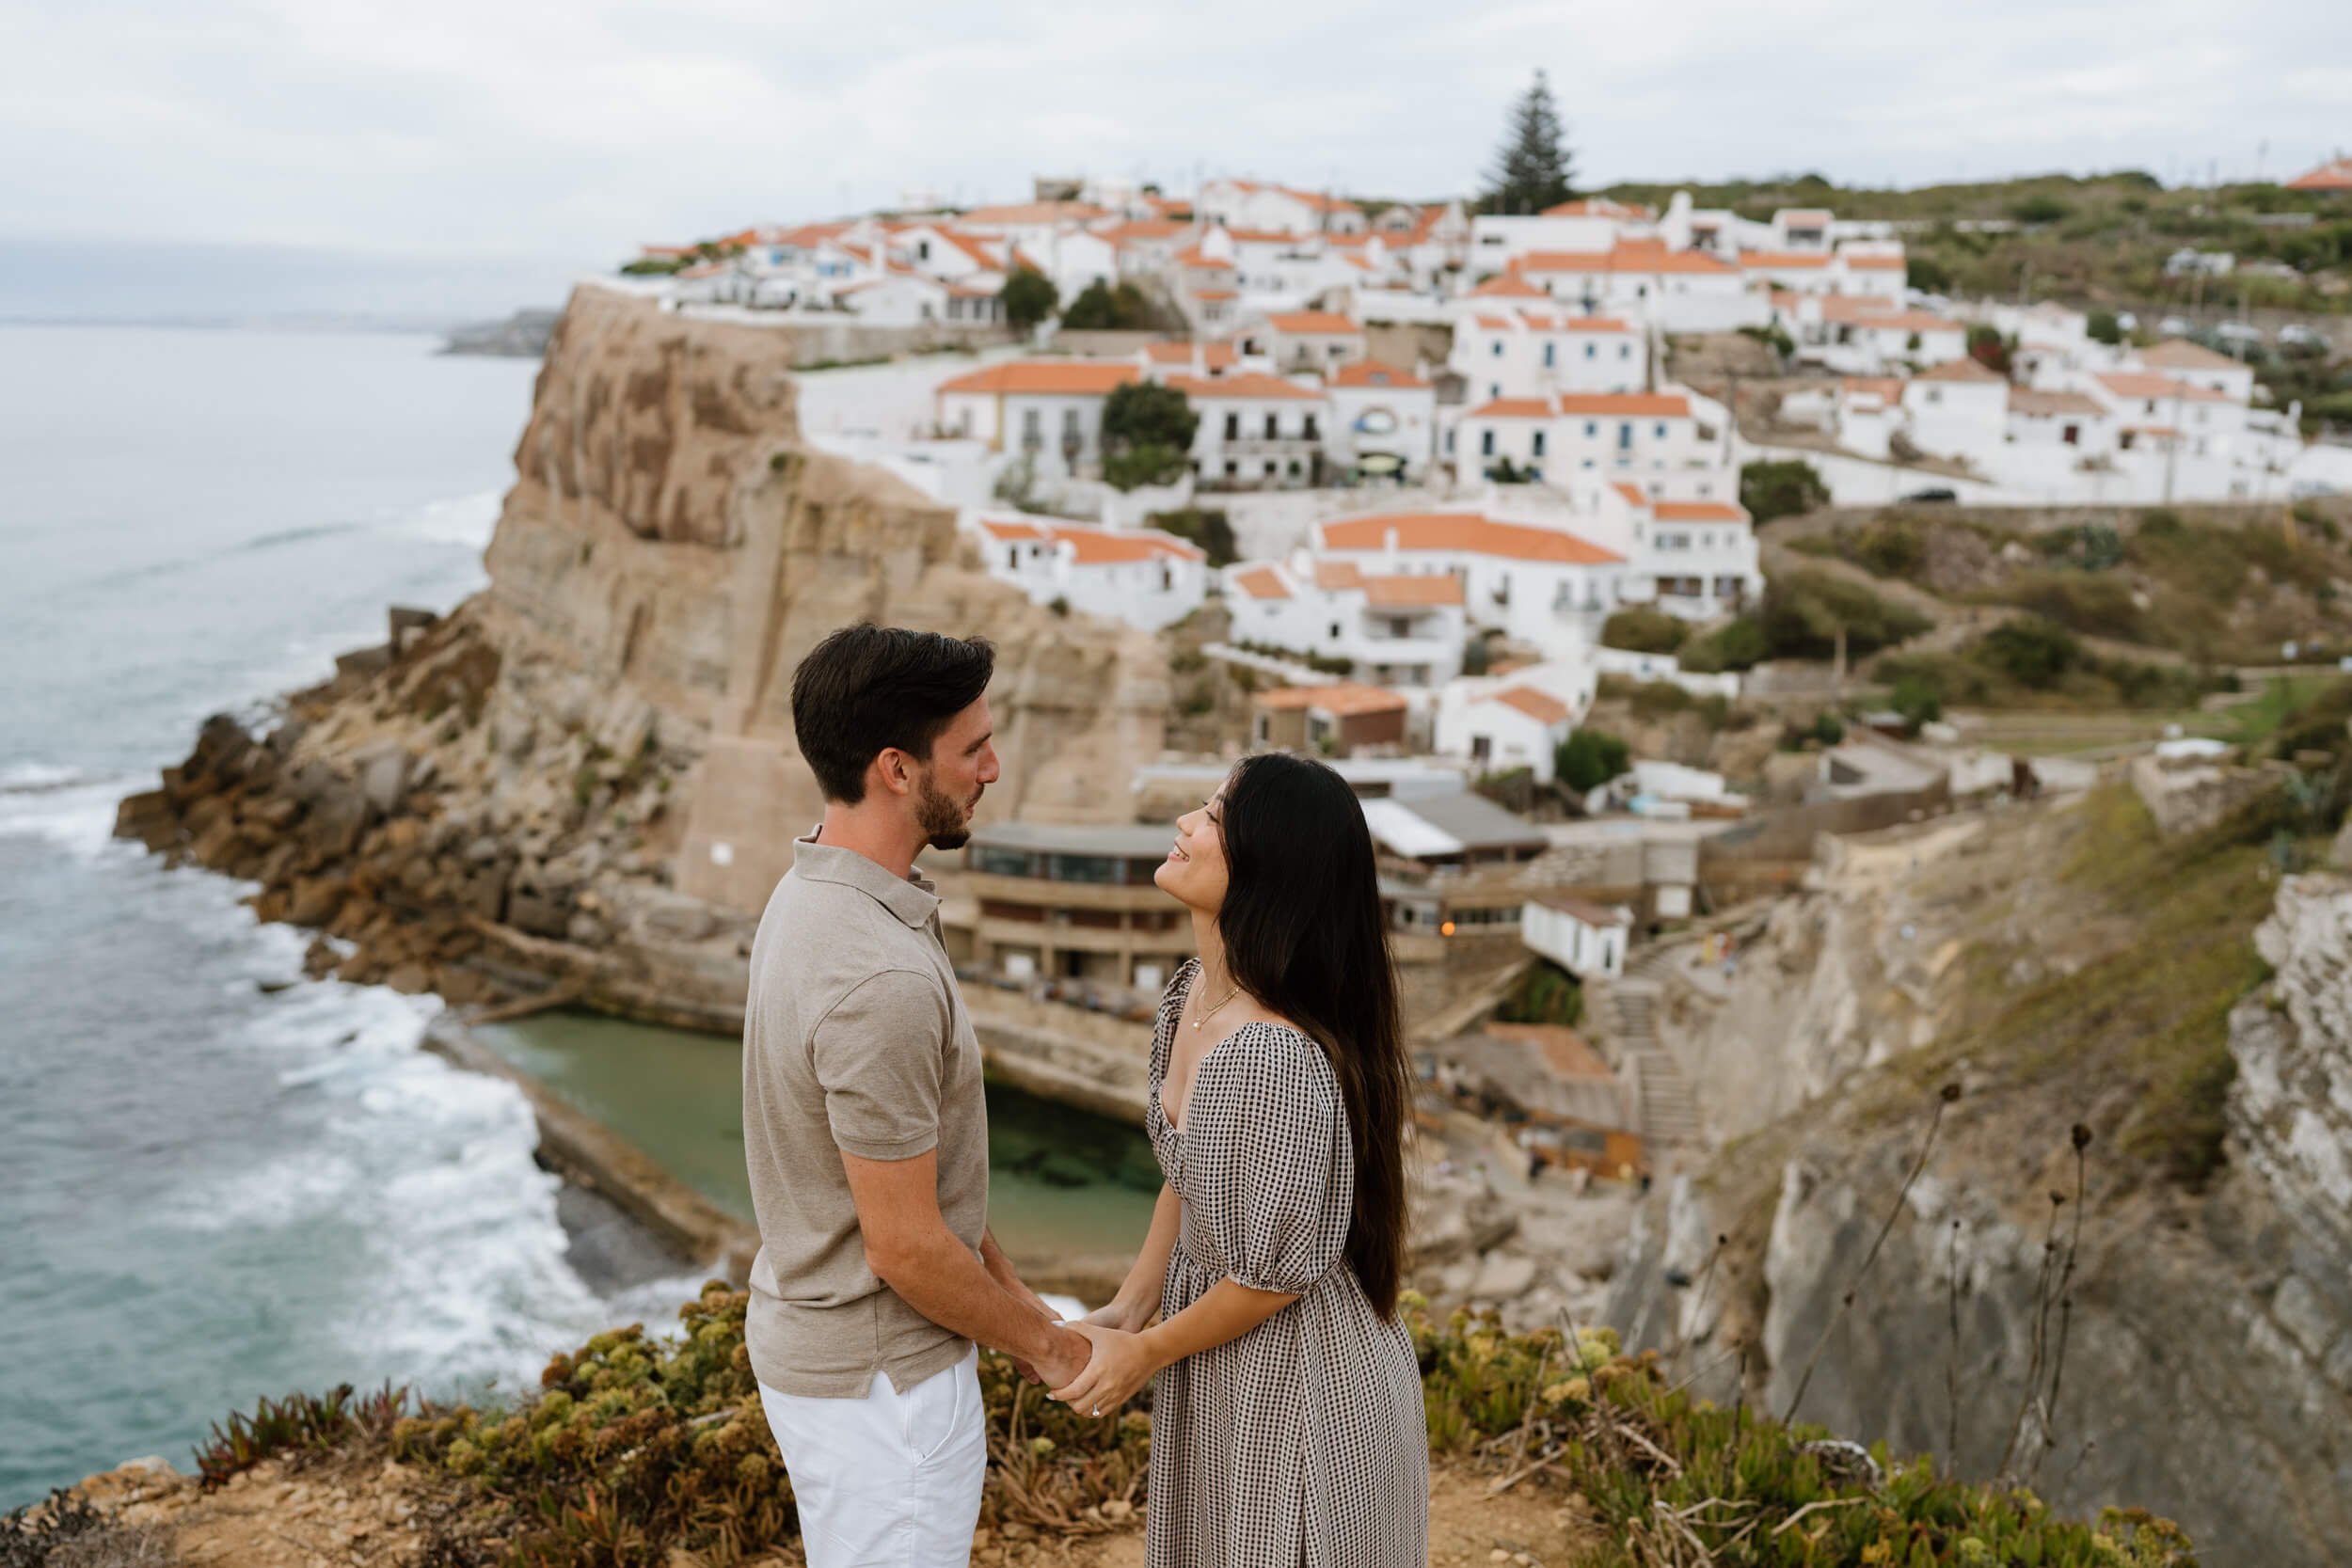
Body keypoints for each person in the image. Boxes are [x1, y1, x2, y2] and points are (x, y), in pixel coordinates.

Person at [741, 625, 1089, 1568]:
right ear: (896, 767)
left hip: (833, 1359)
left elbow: (920, 1181)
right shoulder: (877, 973)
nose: (993, 766)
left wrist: (1017, 1307)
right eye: (971, 746)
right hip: (884, 1389)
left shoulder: (813, 885)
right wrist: (1053, 1351)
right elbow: (901, 1244)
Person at [1051, 752, 1429, 1567]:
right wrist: (1131, 1303)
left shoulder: (1268, 1056)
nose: (1187, 824)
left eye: (1217, 818)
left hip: (1300, 1380)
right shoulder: (1194, 995)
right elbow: (1188, 1176)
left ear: (1270, 867)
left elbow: (1270, 1280)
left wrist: (1144, 1354)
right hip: (1223, 1351)